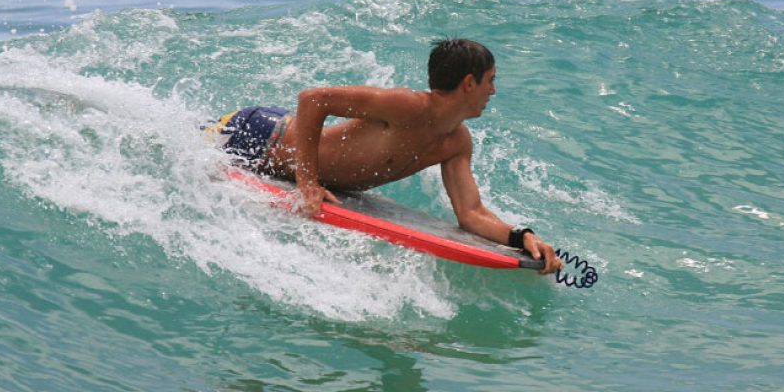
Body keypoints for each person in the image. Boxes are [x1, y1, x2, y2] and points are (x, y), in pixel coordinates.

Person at [205, 39, 562, 273]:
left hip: (285, 151)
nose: (494, 91)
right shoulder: (407, 106)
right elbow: (313, 99)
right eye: (490, 80)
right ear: (469, 83)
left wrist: (521, 237)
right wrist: (307, 182)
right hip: (256, 135)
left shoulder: (455, 143)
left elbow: (471, 214)